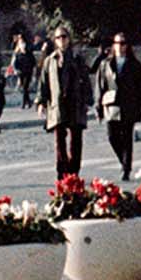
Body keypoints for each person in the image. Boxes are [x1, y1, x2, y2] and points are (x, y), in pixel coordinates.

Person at [37, 25, 92, 180]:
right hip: (57, 104)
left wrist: (88, 100)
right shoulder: (50, 60)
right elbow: (44, 82)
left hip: (75, 103)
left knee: (76, 139)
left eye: (64, 37)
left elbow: (86, 80)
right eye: (58, 37)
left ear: (69, 39)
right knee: (59, 139)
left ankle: (74, 170)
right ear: (55, 41)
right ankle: (62, 171)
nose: (62, 40)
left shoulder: (77, 59)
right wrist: (41, 101)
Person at [99, 30, 141, 179]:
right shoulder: (106, 64)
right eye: (117, 43)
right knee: (112, 136)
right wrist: (99, 108)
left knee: (127, 137)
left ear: (127, 46)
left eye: (123, 43)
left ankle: (126, 168)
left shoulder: (135, 65)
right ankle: (123, 160)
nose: (120, 46)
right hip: (112, 105)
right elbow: (101, 86)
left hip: (130, 104)